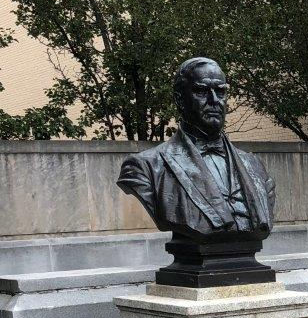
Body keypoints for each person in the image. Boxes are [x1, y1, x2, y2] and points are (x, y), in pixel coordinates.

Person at [117, 57, 275, 243]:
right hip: (193, 262)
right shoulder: (146, 167)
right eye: (201, 91)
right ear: (180, 99)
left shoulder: (254, 166)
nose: (214, 100)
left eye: (221, 91)